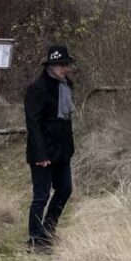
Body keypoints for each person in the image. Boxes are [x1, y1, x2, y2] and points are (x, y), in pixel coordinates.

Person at [22, 43, 78, 250]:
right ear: (50, 66)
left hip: (62, 150)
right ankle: (35, 239)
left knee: (65, 189)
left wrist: (69, 148)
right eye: (60, 65)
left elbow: (66, 120)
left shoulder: (66, 86)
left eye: (66, 64)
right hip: (43, 151)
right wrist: (40, 154)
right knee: (41, 195)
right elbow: (33, 123)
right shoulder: (37, 88)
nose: (64, 68)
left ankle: (48, 231)